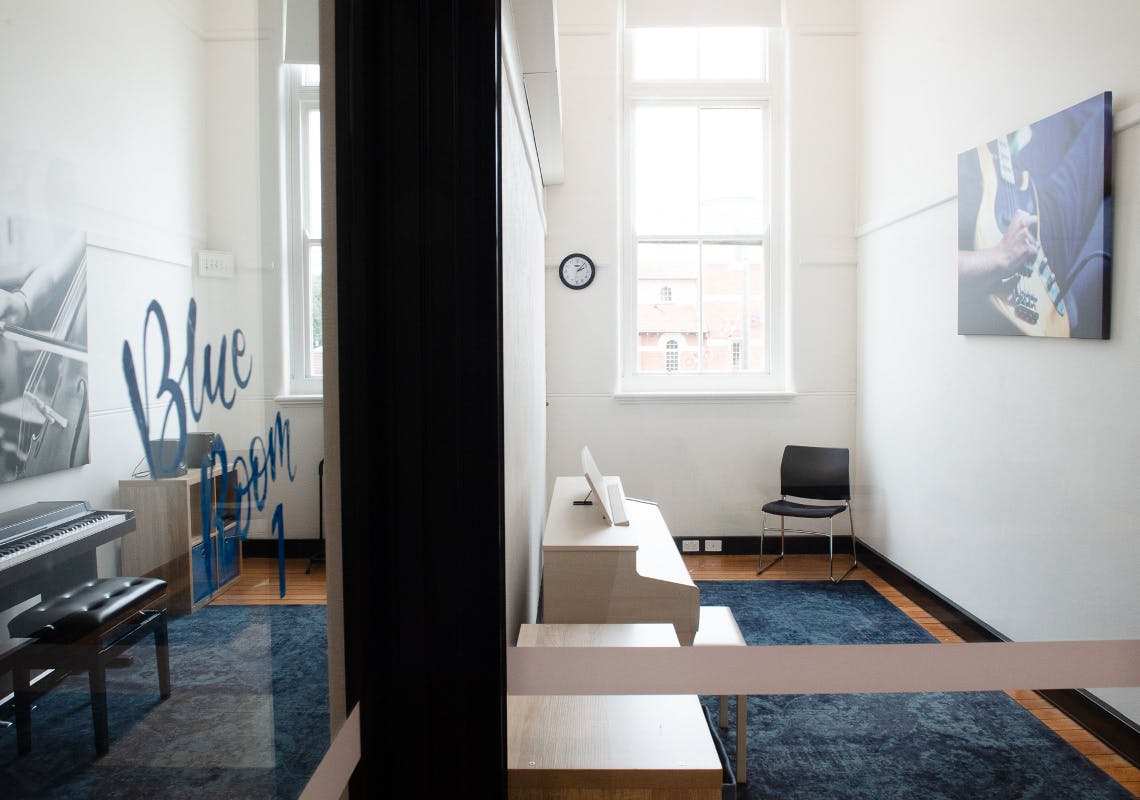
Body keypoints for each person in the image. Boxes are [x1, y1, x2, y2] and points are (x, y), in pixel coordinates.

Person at [957, 93, 1111, 337]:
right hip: (1019, 251)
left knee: (1073, 113)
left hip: (1013, 192)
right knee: (1102, 120)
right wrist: (1002, 256)